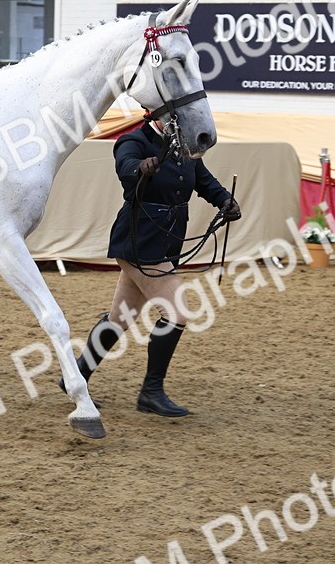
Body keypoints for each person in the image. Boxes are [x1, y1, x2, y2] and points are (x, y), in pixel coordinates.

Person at [61, 114, 241, 417]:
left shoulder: (184, 144)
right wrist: (140, 168)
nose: (177, 120)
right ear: (155, 115)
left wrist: (224, 201)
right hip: (139, 239)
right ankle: (151, 392)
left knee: (120, 316)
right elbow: (125, 167)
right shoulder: (134, 140)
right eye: (171, 115)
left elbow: (204, 181)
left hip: (166, 240)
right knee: (177, 313)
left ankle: (75, 376)